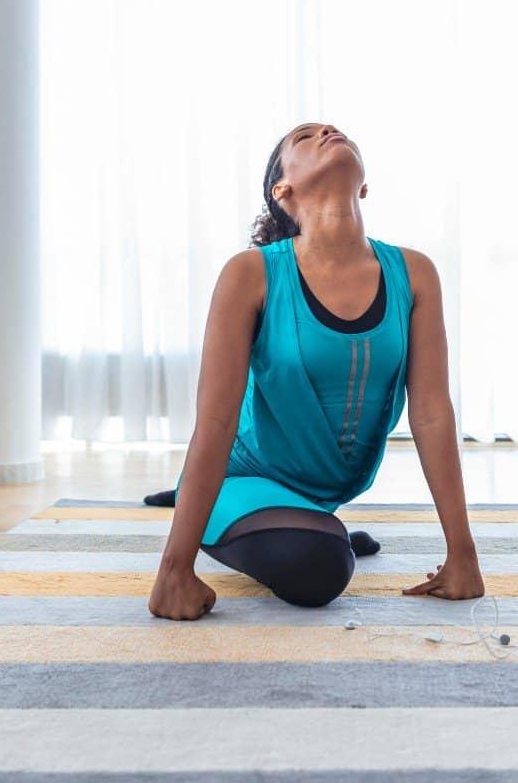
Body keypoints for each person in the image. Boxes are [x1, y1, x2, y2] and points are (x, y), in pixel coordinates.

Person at [147, 121, 484, 621]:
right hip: (243, 477)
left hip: (327, 487)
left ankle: (316, 522)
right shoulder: (251, 274)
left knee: (323, 545)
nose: (327, 130)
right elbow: (216, 422)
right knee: (319, 565)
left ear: (364, 185)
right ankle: (238, 515)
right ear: (281, 191)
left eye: (335, 130)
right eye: (305, 137)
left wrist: (463, 554)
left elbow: (432, 413)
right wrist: (174, 570)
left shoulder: (414, 273)